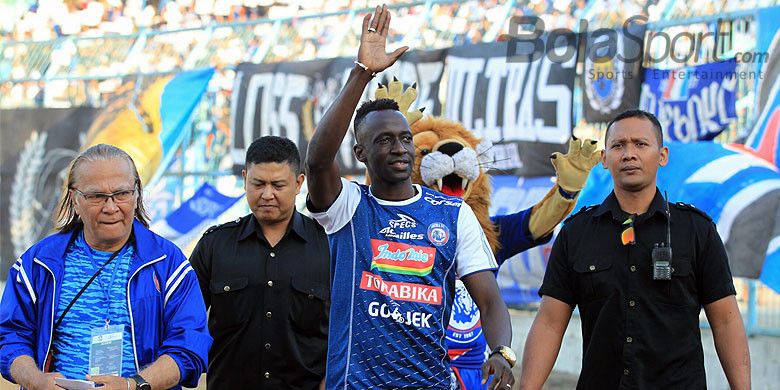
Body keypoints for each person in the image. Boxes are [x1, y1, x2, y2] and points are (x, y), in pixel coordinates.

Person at [305, 5, 515, 389]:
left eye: (405, 138)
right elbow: (317, 161)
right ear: (361, 154)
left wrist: (501, 350)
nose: (401, 148)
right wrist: (363, 73)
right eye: (384, 140)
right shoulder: (348, 207)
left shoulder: (453, 214)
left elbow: (489, 300)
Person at [519, 109, 751, 389]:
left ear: (662, 156)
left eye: (640, 144)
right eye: (618, 145)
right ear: (604, 159)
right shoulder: (576, 233)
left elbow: (726, 321)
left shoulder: (696, 232)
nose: (629, 154)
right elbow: (549, 324)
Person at [0, 144, 210, 390]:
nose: (111, 207)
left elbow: (189, 345)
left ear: (136, 194)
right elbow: (10, 337)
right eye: (96, 196)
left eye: (121, 193)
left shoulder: (168, 264)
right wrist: (37, 381)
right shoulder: (38, 263)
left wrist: (134, 385)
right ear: (75, 199)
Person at [190, 136, 330, 389]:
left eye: (278, 185)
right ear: (244, 180)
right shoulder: (214, 245)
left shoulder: (328, 247)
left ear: (299, 183)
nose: (267, 194)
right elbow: (184, 320)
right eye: (258, 183)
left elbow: (348, 329)